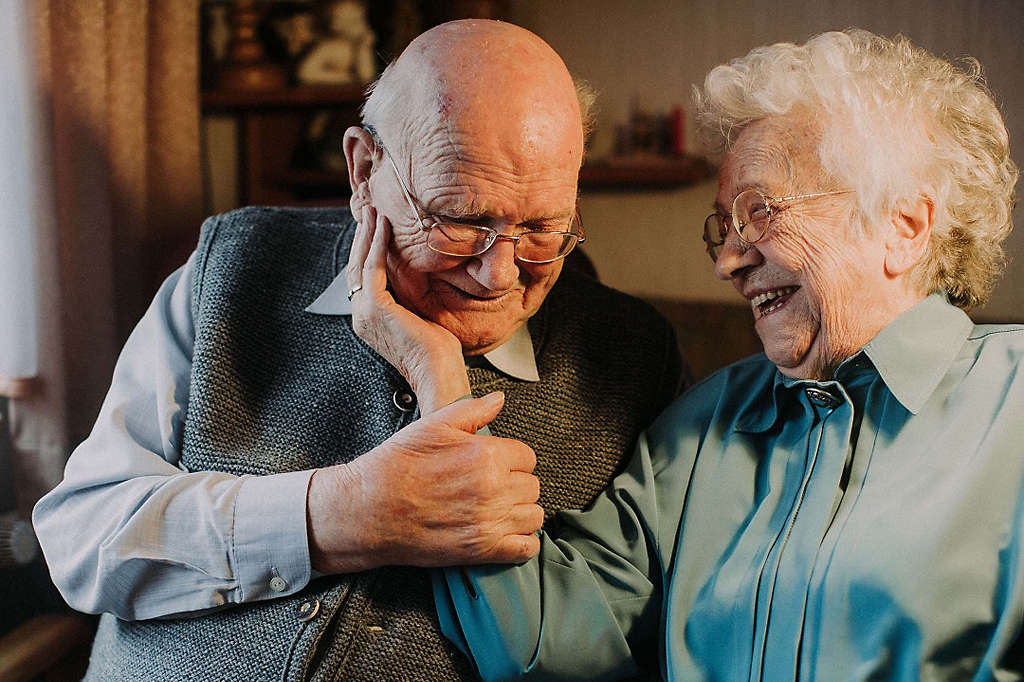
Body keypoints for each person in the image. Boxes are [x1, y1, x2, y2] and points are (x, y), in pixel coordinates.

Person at [31, 20, 684, 681]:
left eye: (544, 226)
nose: (500, 273)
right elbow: (84, 540)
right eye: (459, 218)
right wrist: (341, 514)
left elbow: (626, 637)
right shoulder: (232, 268)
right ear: (364, 169)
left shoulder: (633, 360)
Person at [427, 29, 1024, 680]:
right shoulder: (707, 422)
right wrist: (437, 371)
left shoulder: (1012, 406)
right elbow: (546, 644)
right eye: (723, 227)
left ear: (903, 227)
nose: (728, 262)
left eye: (759, 211)